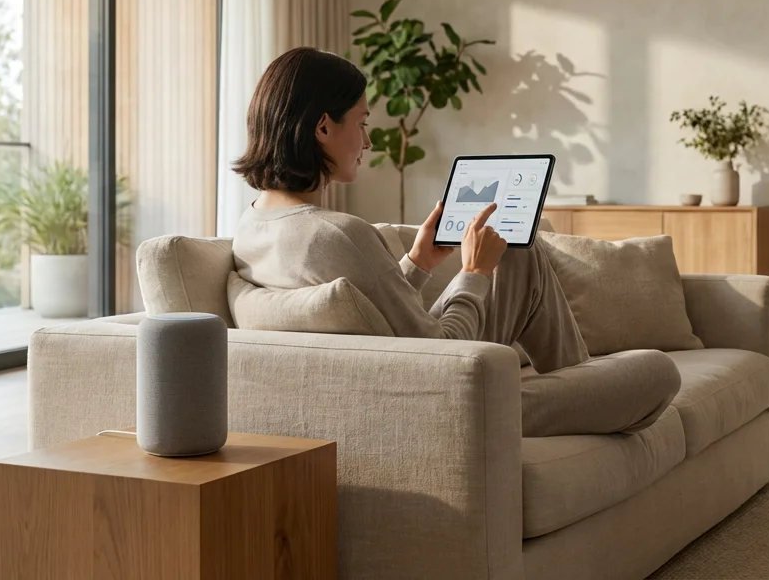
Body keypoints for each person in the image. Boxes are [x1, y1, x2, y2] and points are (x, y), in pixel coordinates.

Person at [229, 47, 679, 435]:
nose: (367, 140)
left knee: (519, 250)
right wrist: (475, 272)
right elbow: (440, 350)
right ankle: (582, 395)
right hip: (444, 404)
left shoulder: (254, 226)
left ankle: (577, 385)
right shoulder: (336, 234)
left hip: (403, 384)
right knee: (657, 370)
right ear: (323, 127)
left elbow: (372, 319)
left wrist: (418, 262)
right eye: (362, 123)